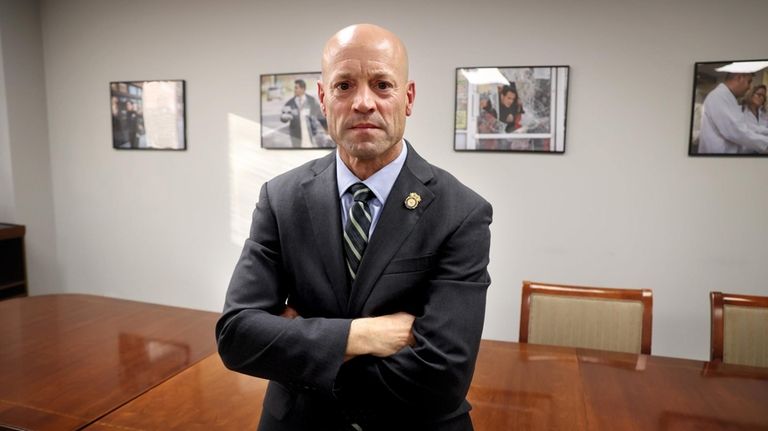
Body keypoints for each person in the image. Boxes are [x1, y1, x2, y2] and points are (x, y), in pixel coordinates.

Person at [216, 23, 492, 431]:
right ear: (324, 99)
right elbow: (238, 336)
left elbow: (443, 375)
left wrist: (301, 348)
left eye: (382, 85)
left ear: (408, 98)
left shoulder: (461, 212)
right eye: (344, 86)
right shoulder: (281, 198)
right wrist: (362, 336)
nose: (364, 102)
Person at [698, 73, 768, 154]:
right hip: (718, 159)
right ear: (739, 77)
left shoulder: (729, 98)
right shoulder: (719, 96)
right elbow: (737, 131)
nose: (749, 87)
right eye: (749, 82)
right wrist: (765, 143)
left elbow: (746, 126)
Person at [280, 79, 326, 147]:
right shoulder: (290, 103)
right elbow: (283, 117)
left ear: (303, 89)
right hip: (296, 137)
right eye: (294, 88)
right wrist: (284, 117)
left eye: (296, 88)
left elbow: (320, 115)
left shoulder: (311, 101)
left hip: (311, 135)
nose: (294, 90)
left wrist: (326, 129)